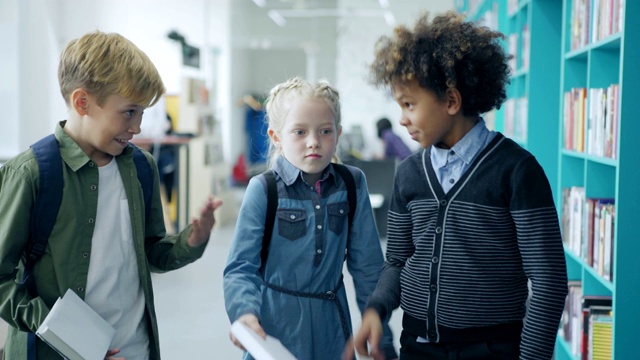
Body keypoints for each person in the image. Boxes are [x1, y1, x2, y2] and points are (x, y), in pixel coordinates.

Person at [346, 11, 568, 360]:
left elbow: (548, 281)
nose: (401, 118)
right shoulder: (408, 173)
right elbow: (397, 261)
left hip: (493, 350)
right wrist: (377, 308)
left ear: (451, 101)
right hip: (418, 346)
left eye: (409, 104)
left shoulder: (517, 170)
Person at [0, 30, 223, 360]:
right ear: (82, 102)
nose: (137, 127)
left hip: (136, 349)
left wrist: (192, 239)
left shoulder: (141, 168)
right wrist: (75, 340)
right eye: (129, 112)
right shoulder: (31, 173)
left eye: (142, 113)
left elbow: (150, 252)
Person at [223, 77, 397, 360]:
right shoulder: (263, 189)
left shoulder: (352, 184)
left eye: (325, 131)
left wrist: (383, 337)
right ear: (276, 137)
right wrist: (244, 313)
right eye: (300, 132)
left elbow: (368, 267)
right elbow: (241, 268)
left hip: (332, 329)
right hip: (275, 329)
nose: (314, 142)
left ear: (338, 134)